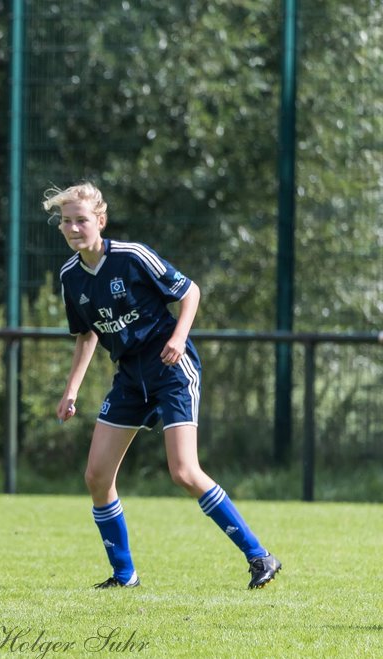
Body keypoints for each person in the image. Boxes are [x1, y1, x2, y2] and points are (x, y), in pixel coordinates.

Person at [44, 182, 282, 590]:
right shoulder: (71, 277)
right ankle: (125, 576)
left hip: (171, 368)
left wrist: (177, 338)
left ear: (100, 221)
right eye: (66, 221)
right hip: (129, 377)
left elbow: (190, 291)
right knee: (97, 476)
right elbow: (87, 336)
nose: (73, 228)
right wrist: (71, 391)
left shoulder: (132, 256)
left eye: (81, 220)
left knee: (185, 472)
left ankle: (259, 555)